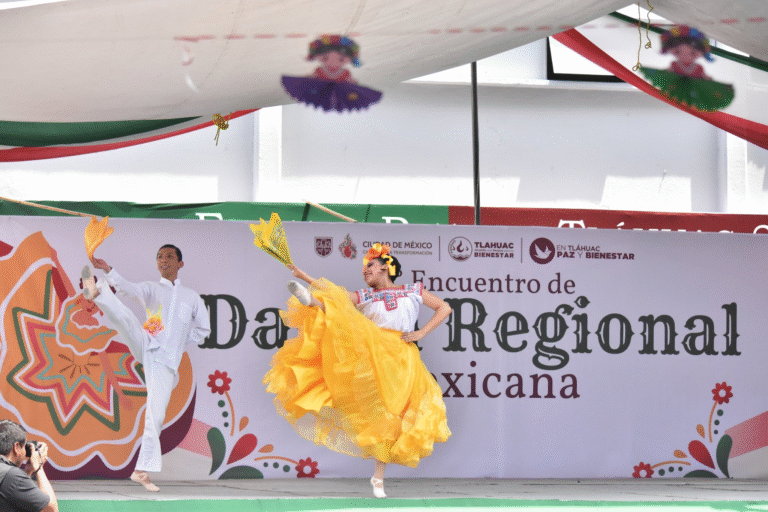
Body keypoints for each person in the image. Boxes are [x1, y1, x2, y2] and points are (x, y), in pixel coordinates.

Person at [264, 243, 452, 498]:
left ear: (385, 267)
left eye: (370, 266)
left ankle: (378, 476)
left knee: (394, 414)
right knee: (337, 307)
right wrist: (304, 276)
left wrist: (422, 332)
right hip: (373, 355)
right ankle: (311, 301)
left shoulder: (413, 290)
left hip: (402, 359)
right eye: (364, 268)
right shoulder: (366, 296)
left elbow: (444, 307)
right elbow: (338, 294)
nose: (365, 271)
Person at [81, 244, 210, 492]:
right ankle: (98, 293)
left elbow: (204, 330)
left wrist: (178, 340)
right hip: (147, 343)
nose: (163, 260)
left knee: (156, 415)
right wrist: (108, 269)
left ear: (180, 263)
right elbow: (127, 288)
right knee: (128, 320)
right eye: (159, 256)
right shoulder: (151, 288)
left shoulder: (191, 297)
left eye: (169, 256)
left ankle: (141, 471)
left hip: (165, 360)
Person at [0, 420, 58, 512]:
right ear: (16, 447)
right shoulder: (11, 476)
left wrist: (28, 471)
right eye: (24, 447)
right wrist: (39, 468)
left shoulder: (8, 476)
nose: (25, 453)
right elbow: (50, 509)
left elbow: (13, 492)